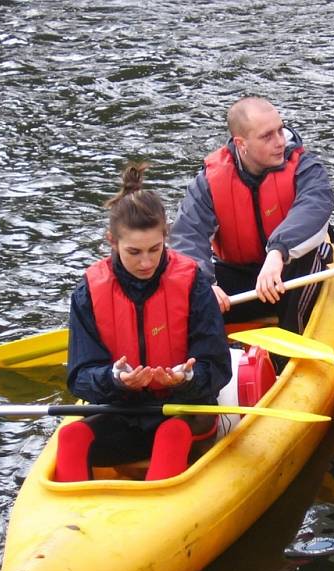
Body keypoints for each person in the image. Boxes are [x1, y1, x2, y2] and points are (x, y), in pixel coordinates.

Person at [56, 163, 232, 482]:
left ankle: (161, 511)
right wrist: (114, 379)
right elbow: (79, 377)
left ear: (166, 235)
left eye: (155, 248)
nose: (147, 262)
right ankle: (69, 524)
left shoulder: (193, 284)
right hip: (123, 412)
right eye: (134, 252)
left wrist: (186, 377)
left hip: (183, 411)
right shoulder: (88, 292)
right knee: (71, 438)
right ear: (112, 241)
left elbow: (218, 368)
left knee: (172, 433)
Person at [170, 96, 334, 334]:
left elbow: (315, 206)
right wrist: (203, 284)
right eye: (267, 136)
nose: (279, 142)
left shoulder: (306, 168)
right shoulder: (209, 182)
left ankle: (287, 357)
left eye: (280, 130)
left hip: (290, 272)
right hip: (240, 276)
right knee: (190, 288)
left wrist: (277, 252)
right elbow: (188, 236)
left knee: (306, 262)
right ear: (241, 143)